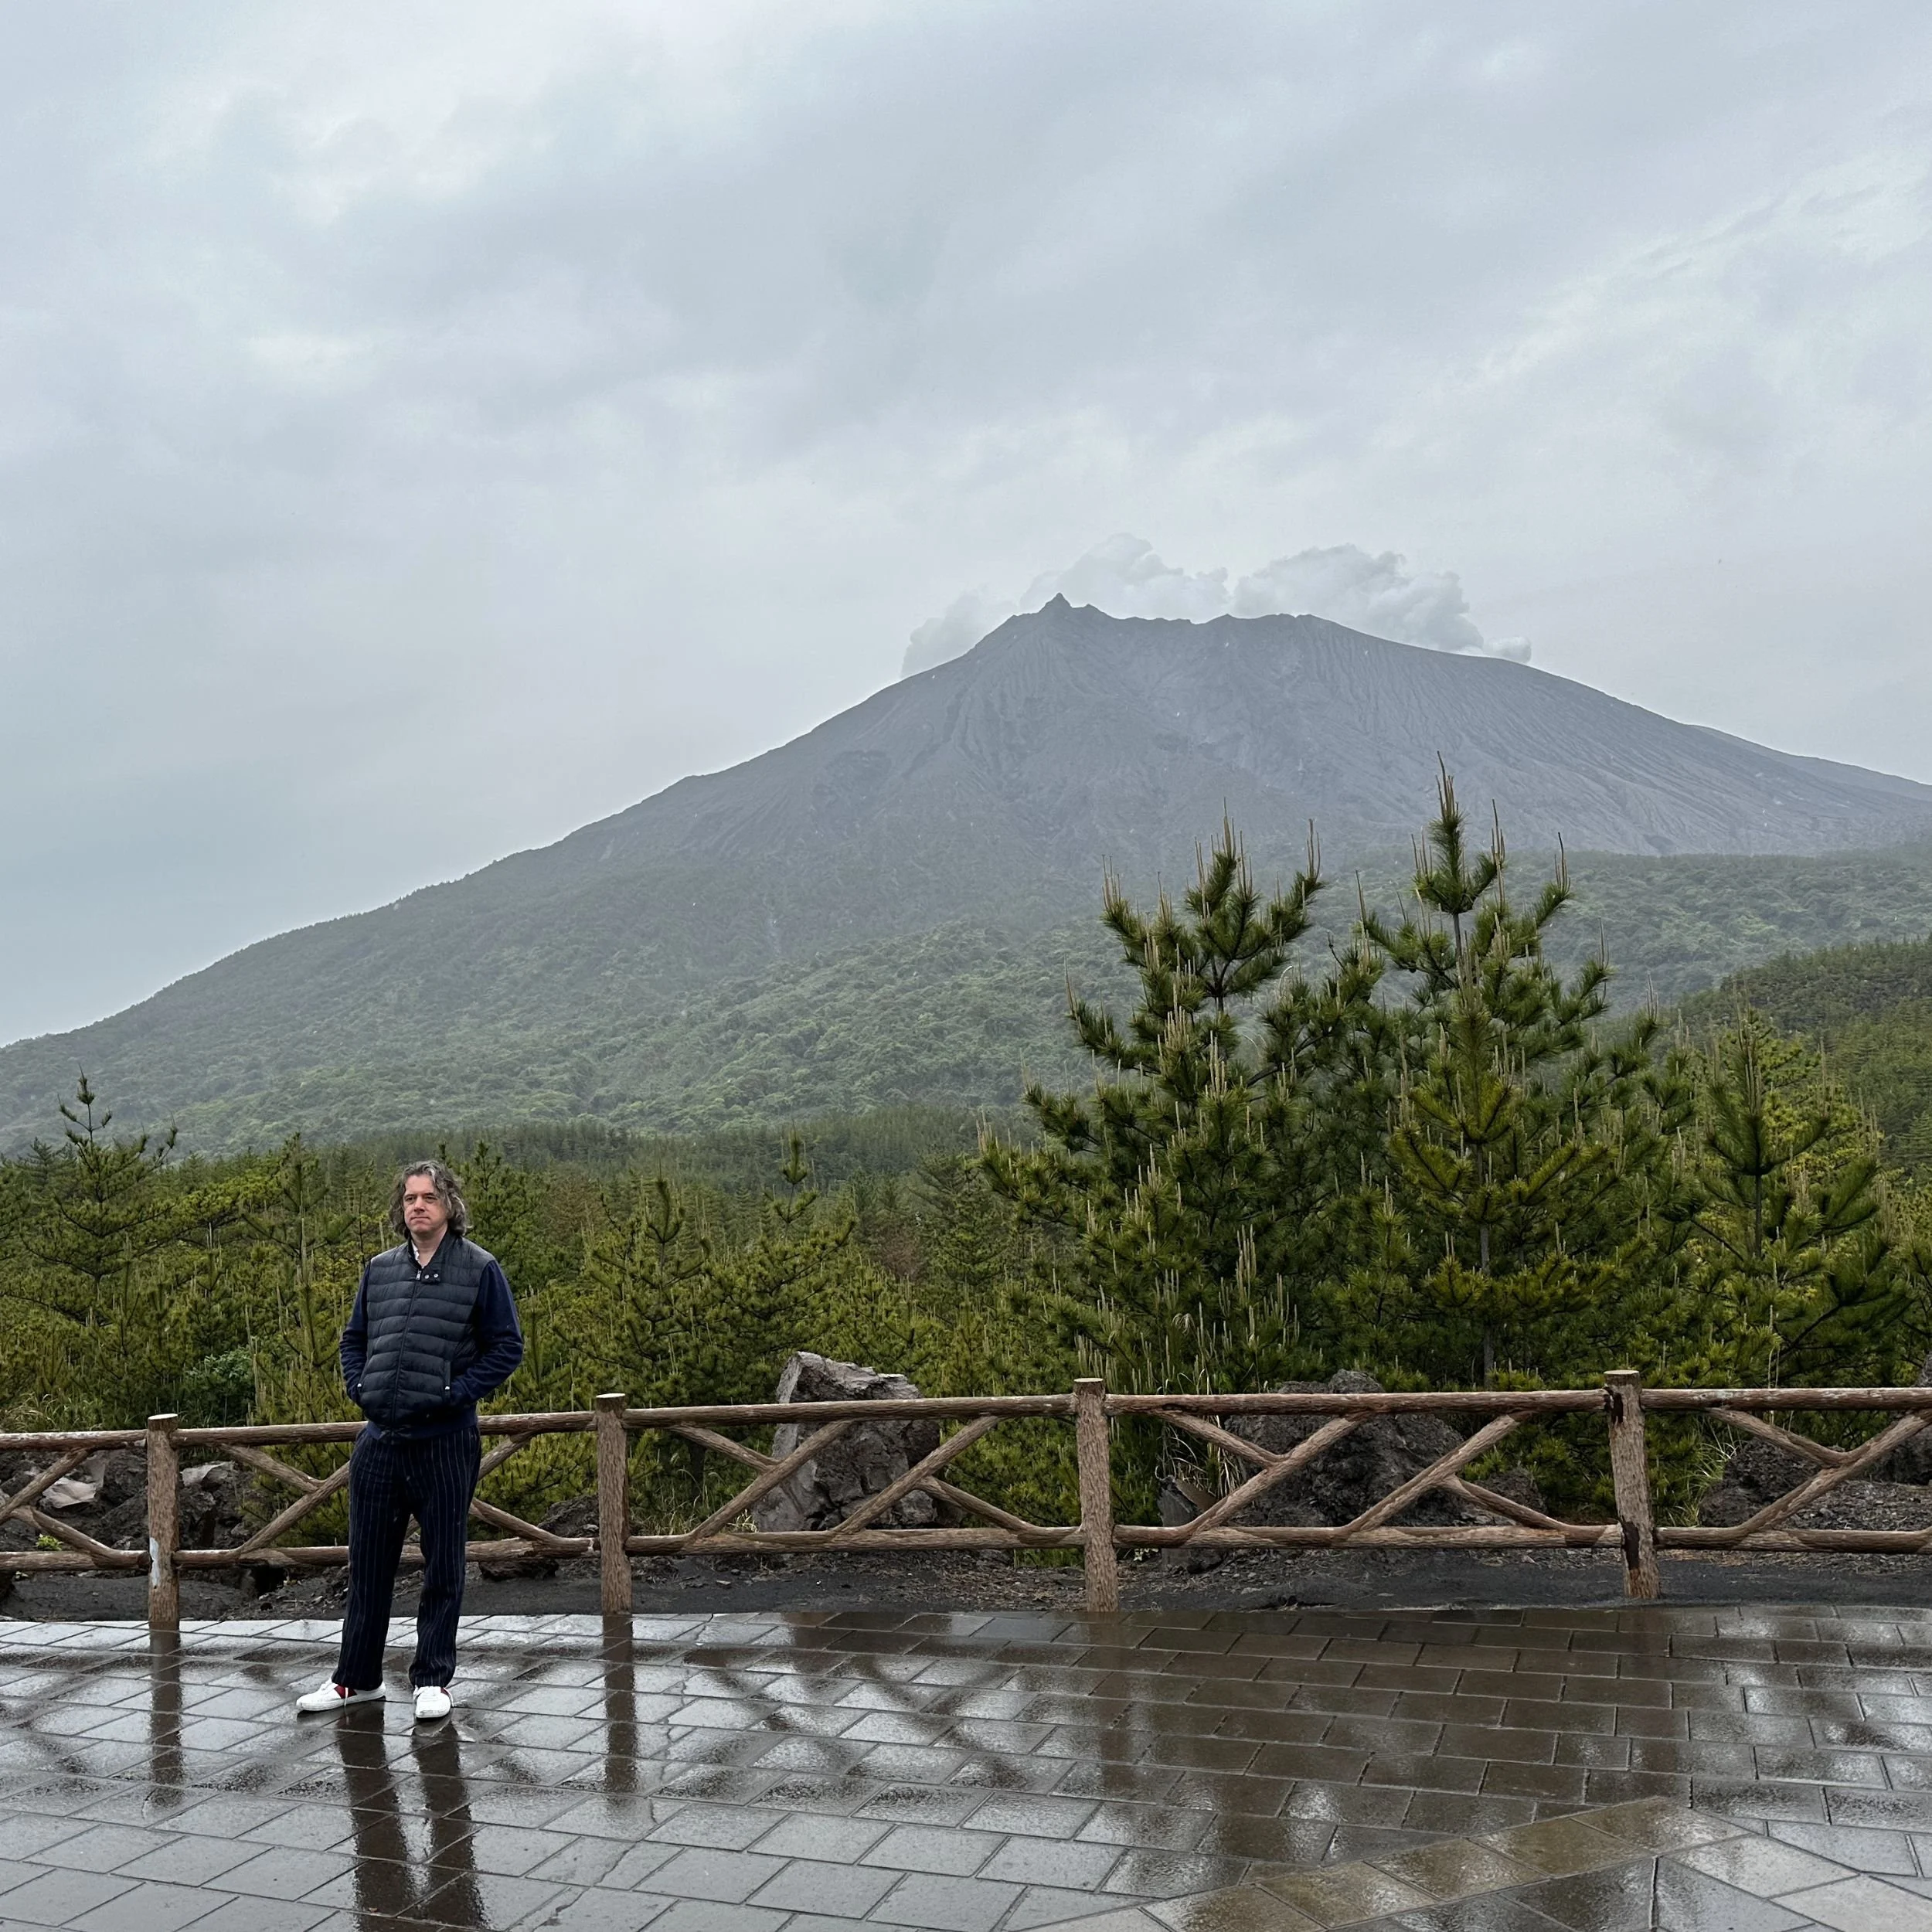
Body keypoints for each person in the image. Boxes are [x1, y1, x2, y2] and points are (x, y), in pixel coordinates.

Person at [295, 1160, 523, 1721]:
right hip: (379, 1440)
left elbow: (506, 1348)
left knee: (444, 1563)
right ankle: (356, 1679)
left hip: (445, 1441)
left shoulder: (479, 1268)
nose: (417, 1206)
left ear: (449, 1205)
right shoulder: (380, 1269)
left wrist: (455, 1392)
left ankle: (432, 1679)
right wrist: (359, 1386)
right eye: (409, 1198)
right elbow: (353, 1340)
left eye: (427, 1197)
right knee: (368, 1564)